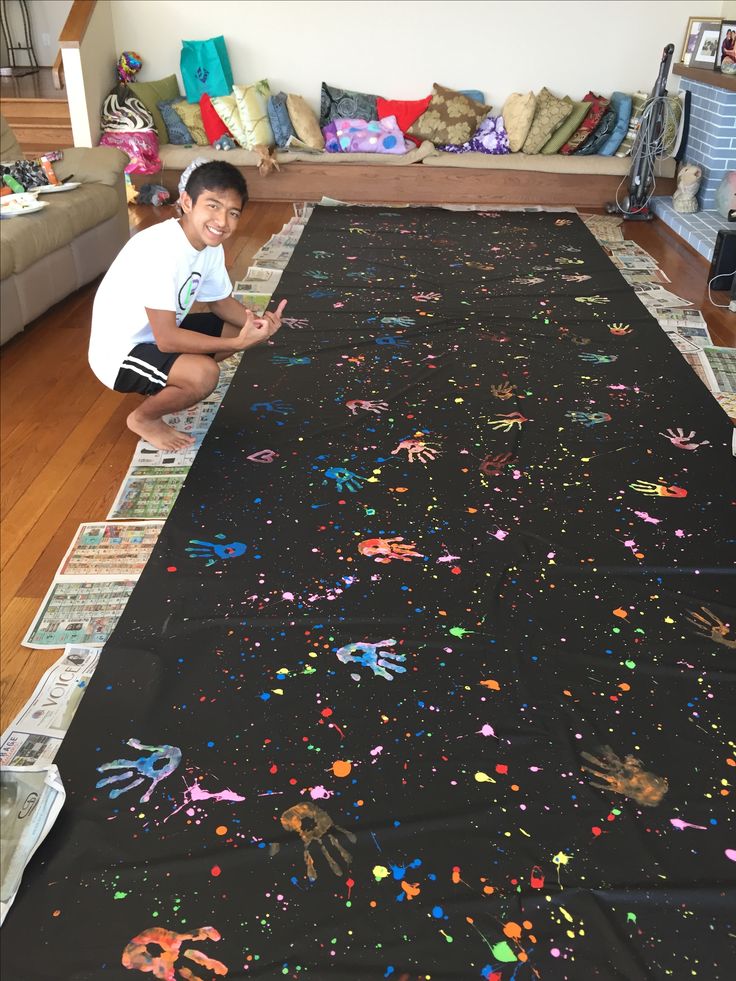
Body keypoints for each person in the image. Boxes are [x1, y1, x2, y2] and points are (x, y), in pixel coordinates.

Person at [89, 160, 286, 451]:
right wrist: (238, 344)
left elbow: (219, 302)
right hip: (119, 354)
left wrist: (257, 324)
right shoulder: (162, 251)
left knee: (238, 326)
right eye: (213, 206)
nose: (222, 221)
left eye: (233, 213)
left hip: (151, 338)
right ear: (187, 202)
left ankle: (163, 382)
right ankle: (144, 418)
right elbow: (167, 339)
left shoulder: (209, 246)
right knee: (204, 374)